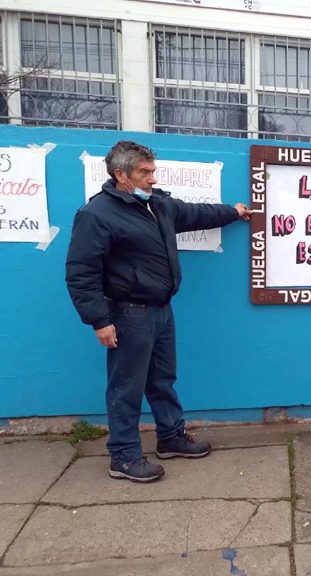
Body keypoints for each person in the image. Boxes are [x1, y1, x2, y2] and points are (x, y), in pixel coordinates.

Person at [65, 141, 253, 483]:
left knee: (162, 379)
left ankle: (170, 437)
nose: (152, 178)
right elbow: (81, 271)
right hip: (127, 314)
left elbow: (196, 214)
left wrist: (233, 211)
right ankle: (122, 456)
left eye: (153, 171)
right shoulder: (97, 214)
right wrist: (99, 320)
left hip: (161, 311)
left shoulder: (158, 205)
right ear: (121, 174)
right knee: (126, 387)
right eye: (144, 172)